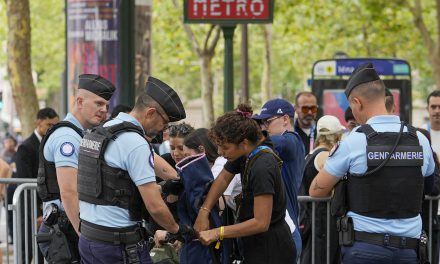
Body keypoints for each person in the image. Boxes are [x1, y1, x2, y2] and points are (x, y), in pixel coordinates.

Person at [309, 63, 436, 264]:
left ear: (357, 103)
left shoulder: (353, 141)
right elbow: (429, 186)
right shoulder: (420, 139)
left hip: (364, 250)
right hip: (410, 251)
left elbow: (316, 191)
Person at [77, 76, 191, 264]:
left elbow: (113, 181)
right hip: (118, 246)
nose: (164, 130)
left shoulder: (104, 130)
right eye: (165, 123)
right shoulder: (135, 143)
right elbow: (154, 207)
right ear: (151, 112)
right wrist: (177, 230)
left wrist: (173, 181)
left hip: (90, 239)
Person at [195, 104, 297, 264]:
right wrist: (204, 210)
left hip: (272, 249)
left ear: (243, 143)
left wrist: (217, 232)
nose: (220, 152)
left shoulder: (262, 165)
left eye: (225, 147)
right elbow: (222, 179)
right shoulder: (244, 153)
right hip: (254, 245)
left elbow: (261, 222)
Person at [36, 74, 115, 263]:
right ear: (80, 101)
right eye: (98, 103)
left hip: (70, 226)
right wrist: (86, 236)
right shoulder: (67, 138)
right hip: (66, 228)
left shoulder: (79, 134)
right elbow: (69, 192)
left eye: (106, 105)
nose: (104, 110)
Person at [252, 98, 305, 257]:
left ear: (285, 119)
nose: (263, 127)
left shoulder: (292, 140)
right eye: (261, 123)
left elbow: (280, 143)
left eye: (267, 122)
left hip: (287, 232)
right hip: (278, 230)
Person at [13, 107, 59, 263]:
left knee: (43, 252)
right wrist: (35, 214)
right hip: (31, 211)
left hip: (49, 210)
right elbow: (25, 182)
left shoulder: (53, 144)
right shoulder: (25, 148)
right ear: (39, 123)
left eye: (55, 125)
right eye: (49, 125)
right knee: (27, 251)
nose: (52, 129)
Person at [300, 115, 343, 264]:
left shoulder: (310, 154)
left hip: (313, 217)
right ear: (337, 136)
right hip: (321, 219)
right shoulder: (325, 156)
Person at [422, 90, 440, 156]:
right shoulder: (420, 133)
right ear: (427, 109)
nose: (437, 111)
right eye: (433, 107)